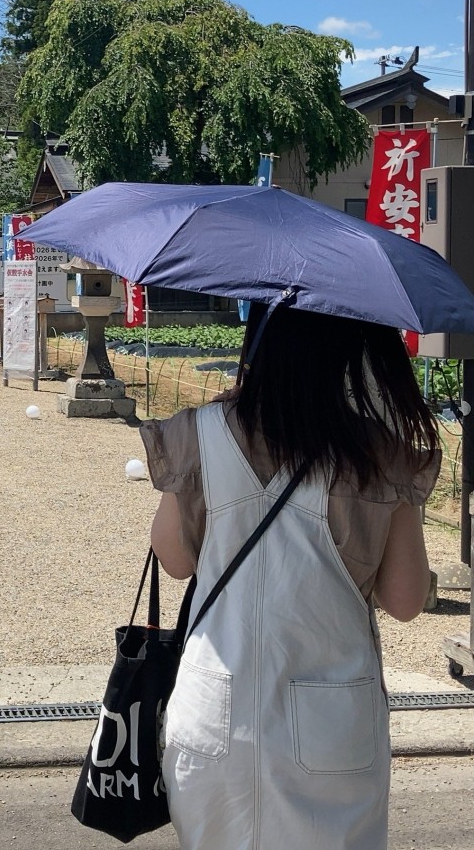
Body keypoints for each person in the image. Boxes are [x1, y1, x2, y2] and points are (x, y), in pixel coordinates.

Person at [142, 305, 440, 850]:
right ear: (347, 352)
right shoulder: (379, 456)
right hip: (334, 731)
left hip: (214, 719)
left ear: (257, 342)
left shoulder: (201, 432)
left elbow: (175, 558)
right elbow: (405, 597)